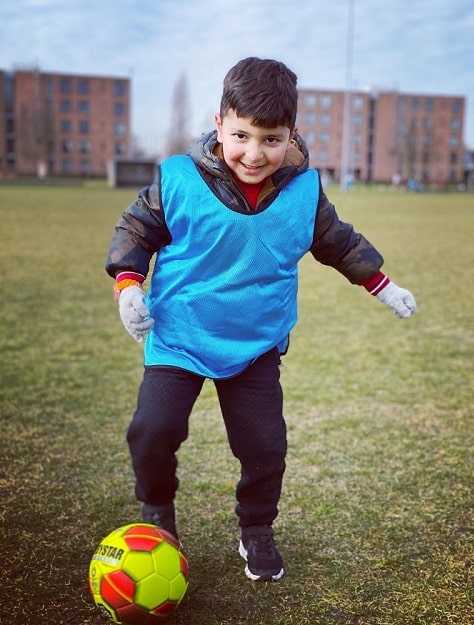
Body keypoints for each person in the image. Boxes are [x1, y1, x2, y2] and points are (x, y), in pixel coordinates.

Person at [105, 57, 417, 583]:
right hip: (179, 337)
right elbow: (135, 230)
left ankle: (256, 527)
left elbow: (339, 243)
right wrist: (128, 283)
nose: (254, 153)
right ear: (219, 123)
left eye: (271, 140)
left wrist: (382, 285)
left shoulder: (304, 192)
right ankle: (157, 512)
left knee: (265, 447)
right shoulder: (178, 179)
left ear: (291, 134)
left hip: (254, 345)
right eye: (241, 135)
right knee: (151, 431)